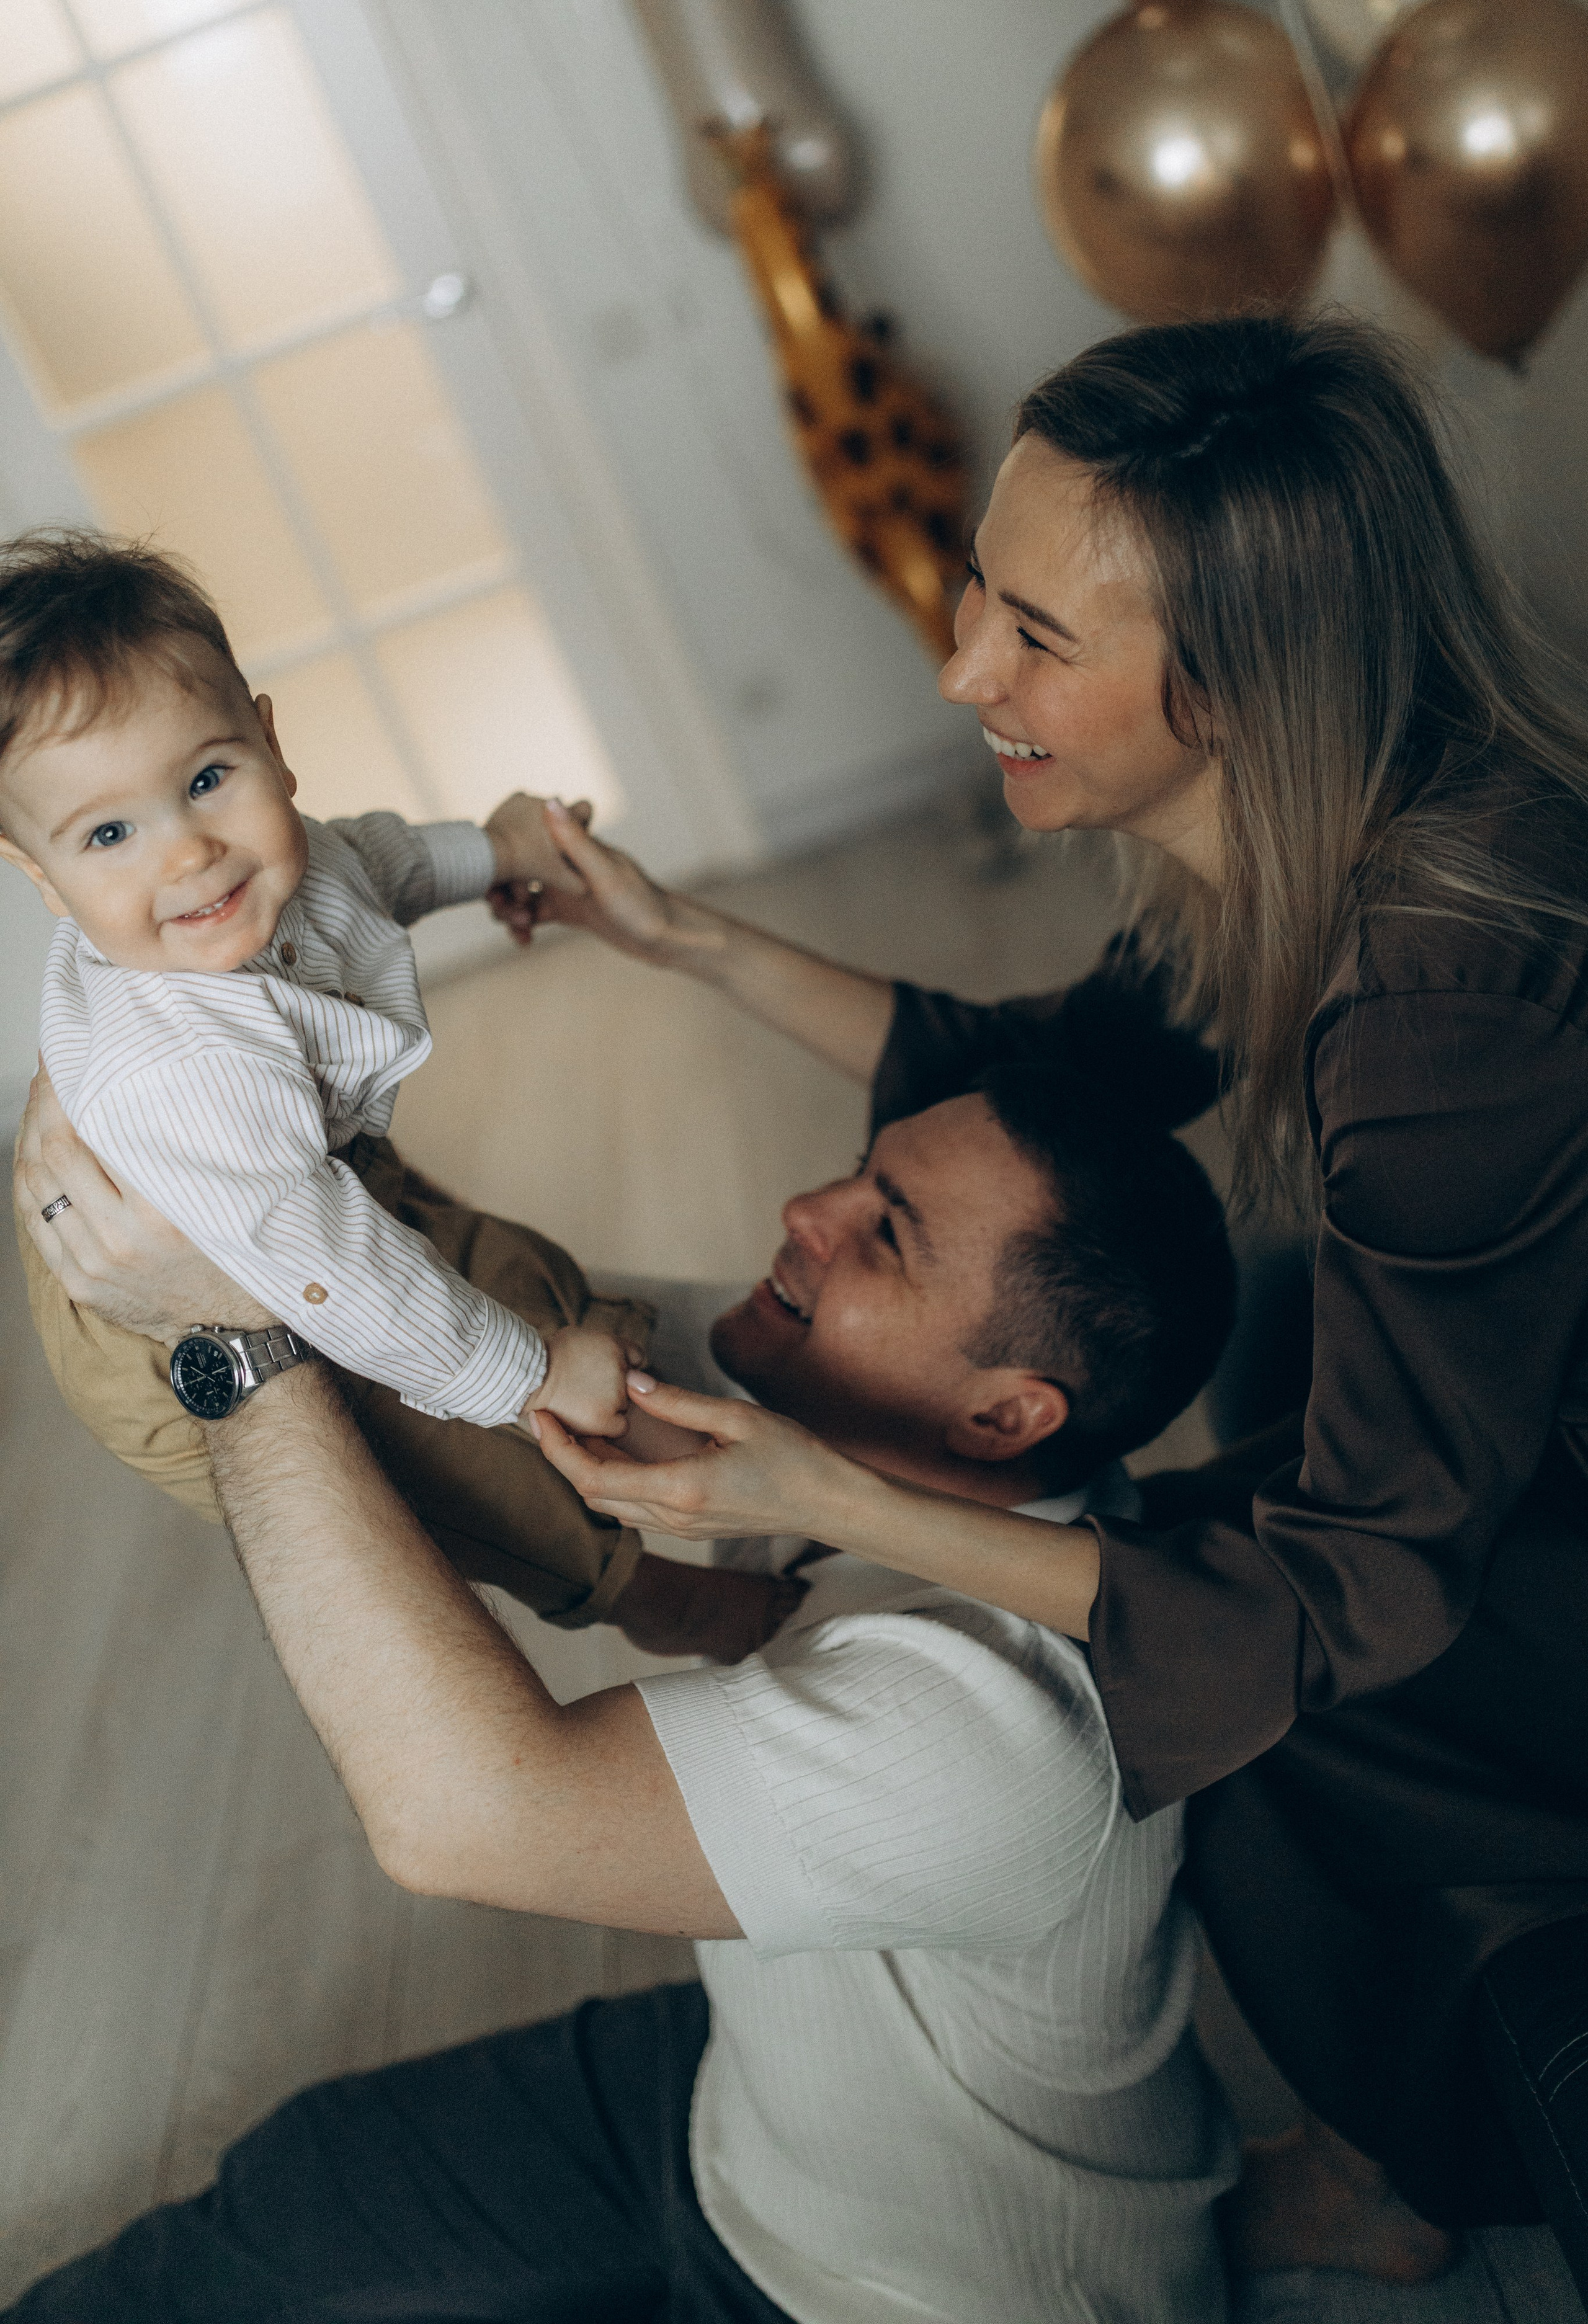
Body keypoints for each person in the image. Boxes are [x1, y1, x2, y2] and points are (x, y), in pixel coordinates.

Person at [499, 313, 1588, 2280]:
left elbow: (1365, 1587)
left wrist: (829, 1501)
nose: (959, 671)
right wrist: (673, 939)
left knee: (1202, 1631)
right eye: (980, 598)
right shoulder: (1291, 826)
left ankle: (1406, 2165)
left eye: (1038, 641)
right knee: (1170, 1529)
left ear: (1244, 685)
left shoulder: (1443, 1001)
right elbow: (1057, 1079)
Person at [9, 1054, 1239, 2323]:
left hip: (905, 2292)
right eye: (860, 1175)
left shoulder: (994, 1718)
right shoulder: (836, 1423)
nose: (804, 1215)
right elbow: (474, 1329)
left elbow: (461, 1815)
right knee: (281, 2197)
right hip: (739, 2111)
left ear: (1002, 1420)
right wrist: (260, 1112)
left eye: (885, 1234)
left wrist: (233, 1339)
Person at [0, 531, 783, 1663]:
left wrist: (501, 848)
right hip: (164, 1302)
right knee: (434, 1453)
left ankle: (626, 1399)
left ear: (271, 745)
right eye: (110, 834)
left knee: (507, 1270)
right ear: (41, 874)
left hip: (304, 1175)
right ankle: (635, 1588)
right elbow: (340, 1272)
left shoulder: (294, 862)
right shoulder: (179, 1063)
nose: (191, 856)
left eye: (208, 779)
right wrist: (525, 1378)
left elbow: (385, 861)